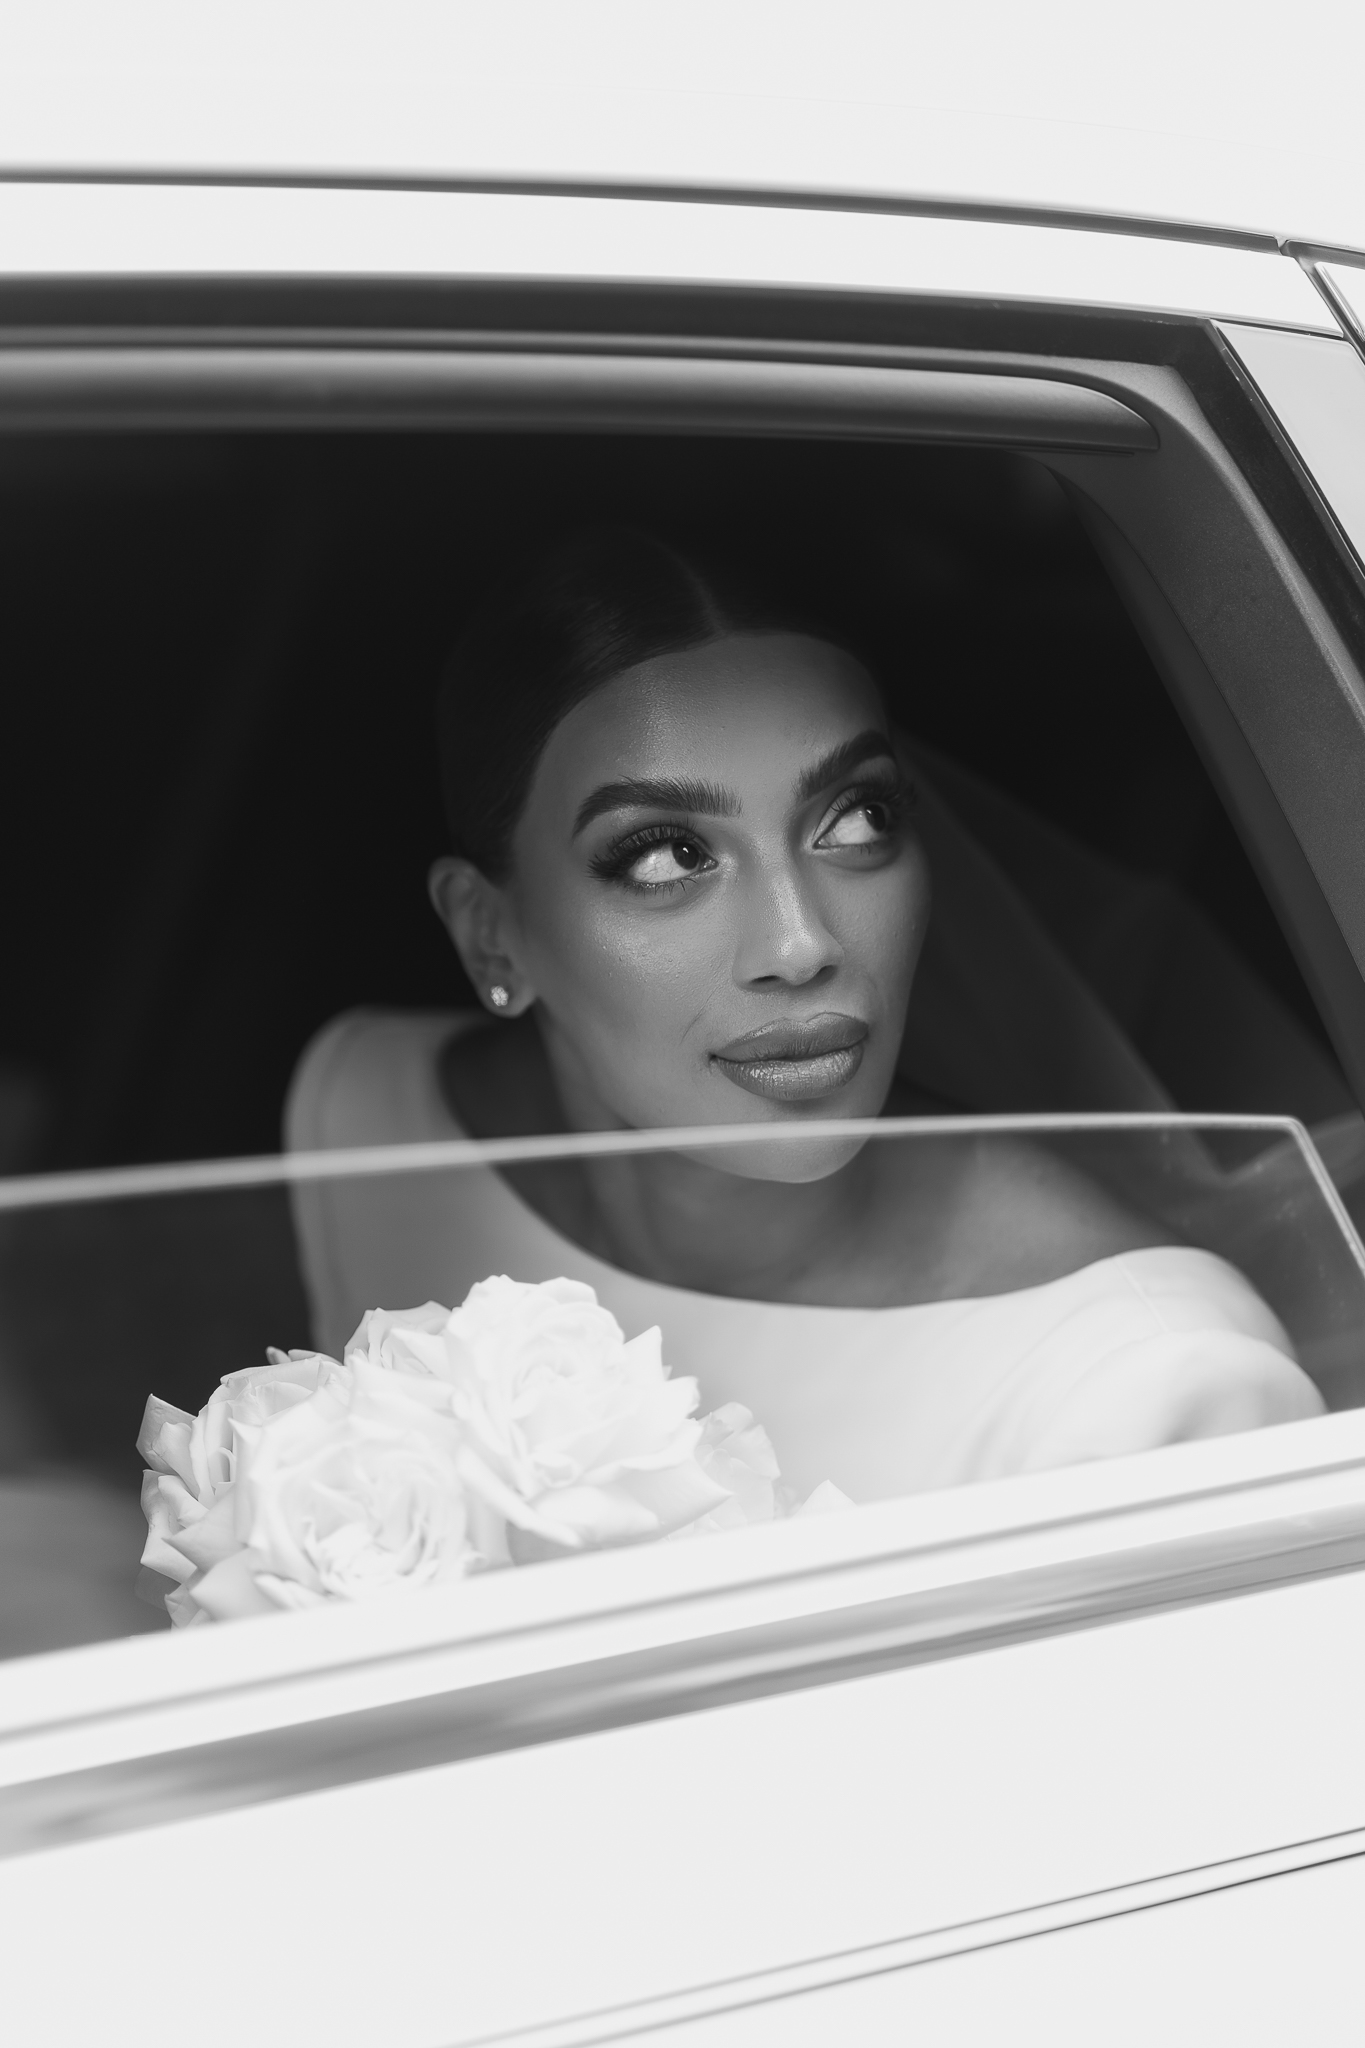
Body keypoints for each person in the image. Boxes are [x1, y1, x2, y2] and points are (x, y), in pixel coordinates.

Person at [287, 529, 1323, 1504]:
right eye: (664, 855)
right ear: (490, 937)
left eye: (856, 819)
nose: (800, 944)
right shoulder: (373, 1116)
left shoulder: (1158, 1386)